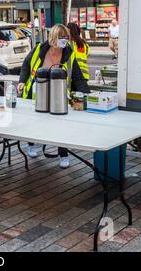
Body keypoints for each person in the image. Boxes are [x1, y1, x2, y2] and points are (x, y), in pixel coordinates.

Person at [17, 24, 90, 169]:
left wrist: (87, 96)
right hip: (37, 91)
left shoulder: (69, 54)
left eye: (66, 38)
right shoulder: (39, 49)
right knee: (34, 121)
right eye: (60, 37)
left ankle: (63, 154)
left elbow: (78, 77)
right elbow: (26, 64)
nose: (64, 40)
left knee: (61, 124)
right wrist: (21, 81)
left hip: (59, 93)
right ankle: (31, 145)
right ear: (53, 38)